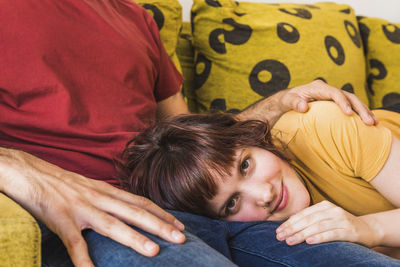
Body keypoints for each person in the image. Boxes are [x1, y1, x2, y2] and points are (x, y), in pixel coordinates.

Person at [0, 0, 391, 266]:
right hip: (95, 212)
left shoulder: (134, 17)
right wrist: (22, 171)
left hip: (197, 206)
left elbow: (191, 142)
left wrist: (277, 103)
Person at [118, 101, 400, 260]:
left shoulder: (321, 125)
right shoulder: (266, 236)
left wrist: (368, 227)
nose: (264, 194)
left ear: (250, 138)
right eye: (231, 204)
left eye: (245, 165)